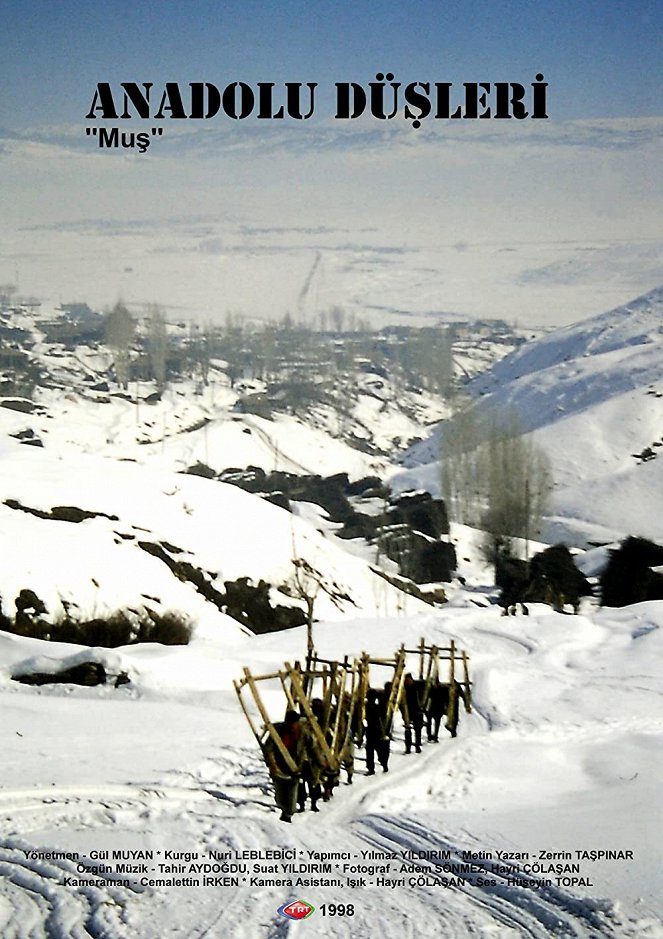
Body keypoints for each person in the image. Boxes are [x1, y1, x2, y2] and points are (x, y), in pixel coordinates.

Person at [263, 709, 303, 822]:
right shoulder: (278, 731)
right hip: (279, 767)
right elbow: (268, 748)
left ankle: (288, 815)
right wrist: (272, 764)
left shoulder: (303, 732)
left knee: (291, 794)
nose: (293, 725)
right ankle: (283, 809)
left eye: (295, 723)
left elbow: (312, 747)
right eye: (291, 722)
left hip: (295, 768)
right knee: (280, 796)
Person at [364, 687, 390, 774]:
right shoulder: (374, 707)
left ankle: (380, 765)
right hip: (373, 731)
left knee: (373, 750)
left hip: (376, 731)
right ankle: (375, 767)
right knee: (371, 750)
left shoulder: (375, 708)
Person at [402, 672, 424, 754]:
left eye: (408, 680)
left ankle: (417, 746)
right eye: (406, 680)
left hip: (417, 711)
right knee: (408, 729)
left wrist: (422, 707)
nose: (407, 682)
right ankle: (408, 747)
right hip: (408, 711)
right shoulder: (403, 688)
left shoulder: (417, 687)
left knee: (418, 730)